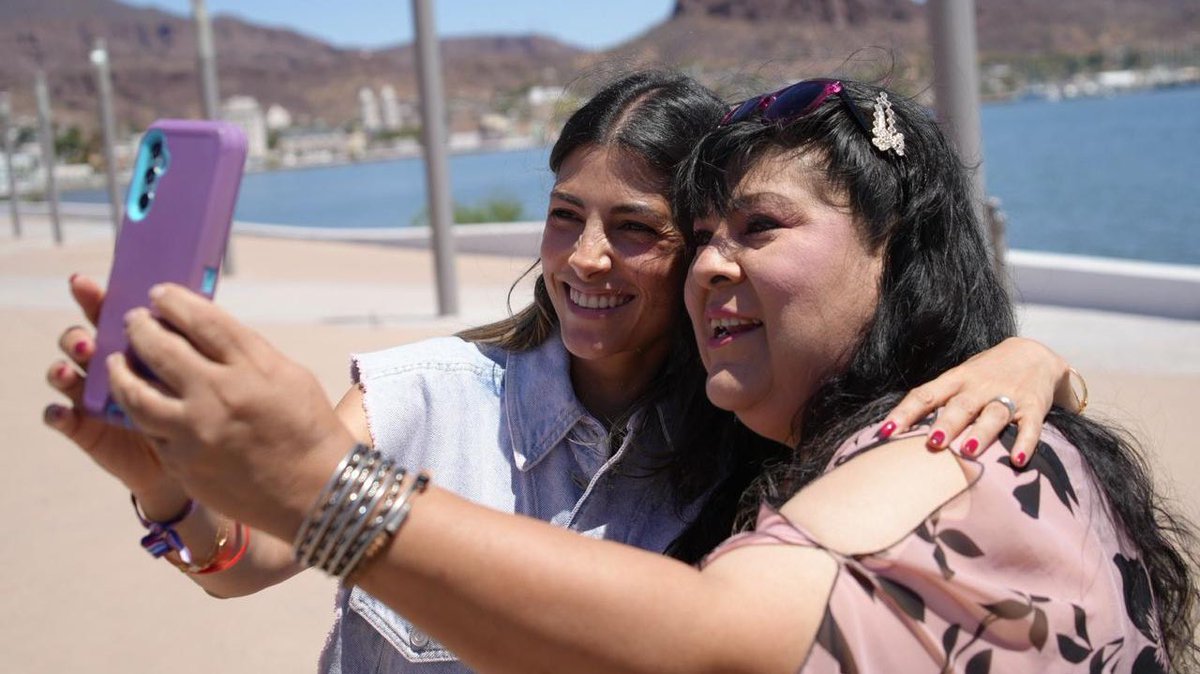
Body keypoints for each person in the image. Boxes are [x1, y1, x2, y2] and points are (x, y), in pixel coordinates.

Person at [46, 73, 1099, 672]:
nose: (586, 258)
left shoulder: (755, 439)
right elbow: (240, 556)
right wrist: (169, 477)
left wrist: (1022, 355)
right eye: (564, 216)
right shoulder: (430, 387)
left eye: (637, 229)